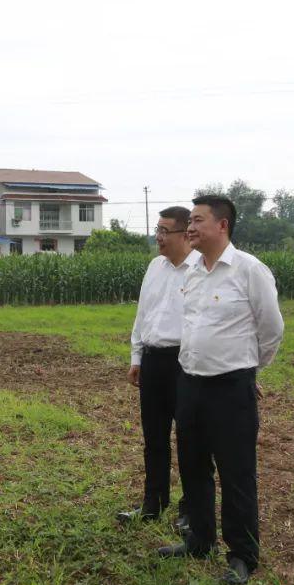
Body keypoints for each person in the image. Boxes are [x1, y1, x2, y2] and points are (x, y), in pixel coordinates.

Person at [157, 195, 283, 585]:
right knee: (193, 466)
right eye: (189, 221)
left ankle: (243, 555)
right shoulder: (193, 270)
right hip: (190, 383)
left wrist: (247, 369)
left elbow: (271, 330)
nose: (189, 228)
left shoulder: (249, 270)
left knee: (236, 473)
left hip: (231, 388)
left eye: (197, 221)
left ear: (222, 225)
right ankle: (199, 539)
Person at [119, 206, 200, 528]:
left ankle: (190, 510)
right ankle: (153, 502)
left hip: (186, 362)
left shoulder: (200, 270)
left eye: (165, 231)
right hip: (153, 361)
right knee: (154, 438)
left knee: (190, 439)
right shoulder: (155, 267)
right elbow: (143, 314)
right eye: (157, 230)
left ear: (184, 234)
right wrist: (137, 357)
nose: (158, 237)